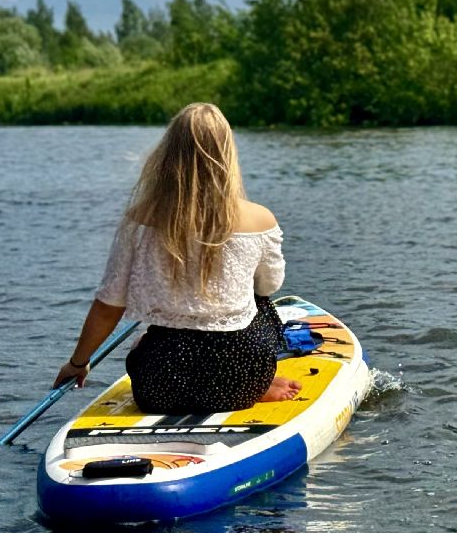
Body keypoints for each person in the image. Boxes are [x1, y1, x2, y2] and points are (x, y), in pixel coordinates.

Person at [52, 102, 301, 412]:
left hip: (161, 384)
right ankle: (258, 385)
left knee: (146, 343)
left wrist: (78, 363)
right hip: (242, 377)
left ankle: (209, 378)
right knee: (260, 301)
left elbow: (108, 305)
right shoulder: (260, 219)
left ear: (168, 154)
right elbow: (269, 286)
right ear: (227, 154)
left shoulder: (140, 219)